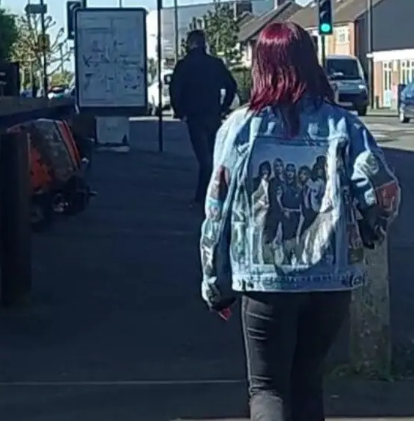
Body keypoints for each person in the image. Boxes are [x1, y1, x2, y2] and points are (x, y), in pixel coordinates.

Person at [199, 21, 400, 421]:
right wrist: (369, 233)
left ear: (261, 66)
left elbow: (217, 211)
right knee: (308, 382)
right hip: (329, 280)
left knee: (268, 388)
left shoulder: (240, 128)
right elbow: (382, 191)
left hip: (264, 278)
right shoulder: (343, 125)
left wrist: (215, 281)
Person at [170, 29, 237, 206]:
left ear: (190, 44)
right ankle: (217, 193)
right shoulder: (215, 64)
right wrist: (224, 108)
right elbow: (231, 85)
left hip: (194, 116)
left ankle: (204, 197)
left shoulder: (183, 65)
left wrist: (179, 111)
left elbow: (175, 90)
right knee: (214, 155)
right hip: (213, 115)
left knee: (203, 158)